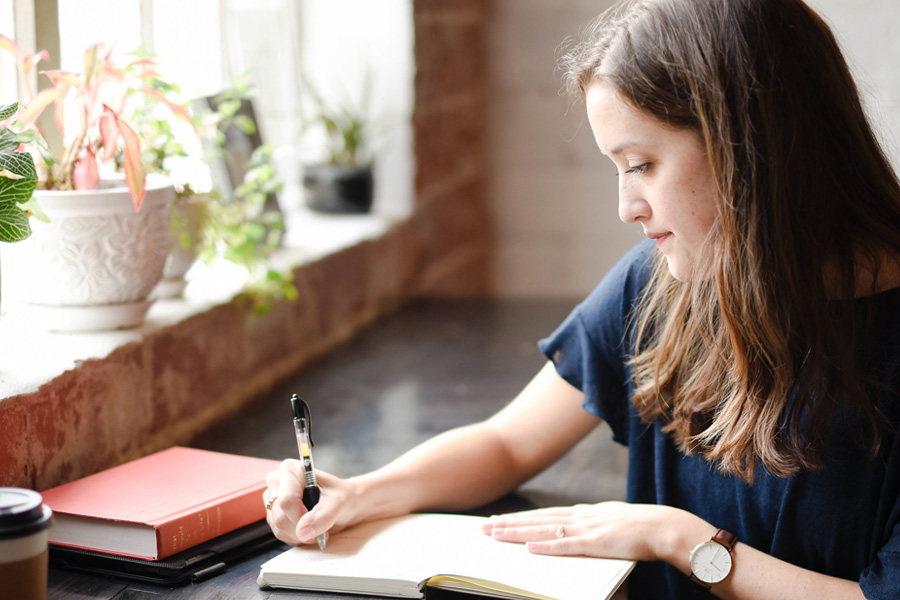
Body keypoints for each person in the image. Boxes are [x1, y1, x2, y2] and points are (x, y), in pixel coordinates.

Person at [265, 0, 900, 597]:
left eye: (641, 164)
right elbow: (507, 443)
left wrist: (681, 540)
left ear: (751, 147)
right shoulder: (658, 284)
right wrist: (361, 494)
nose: (626, 208)